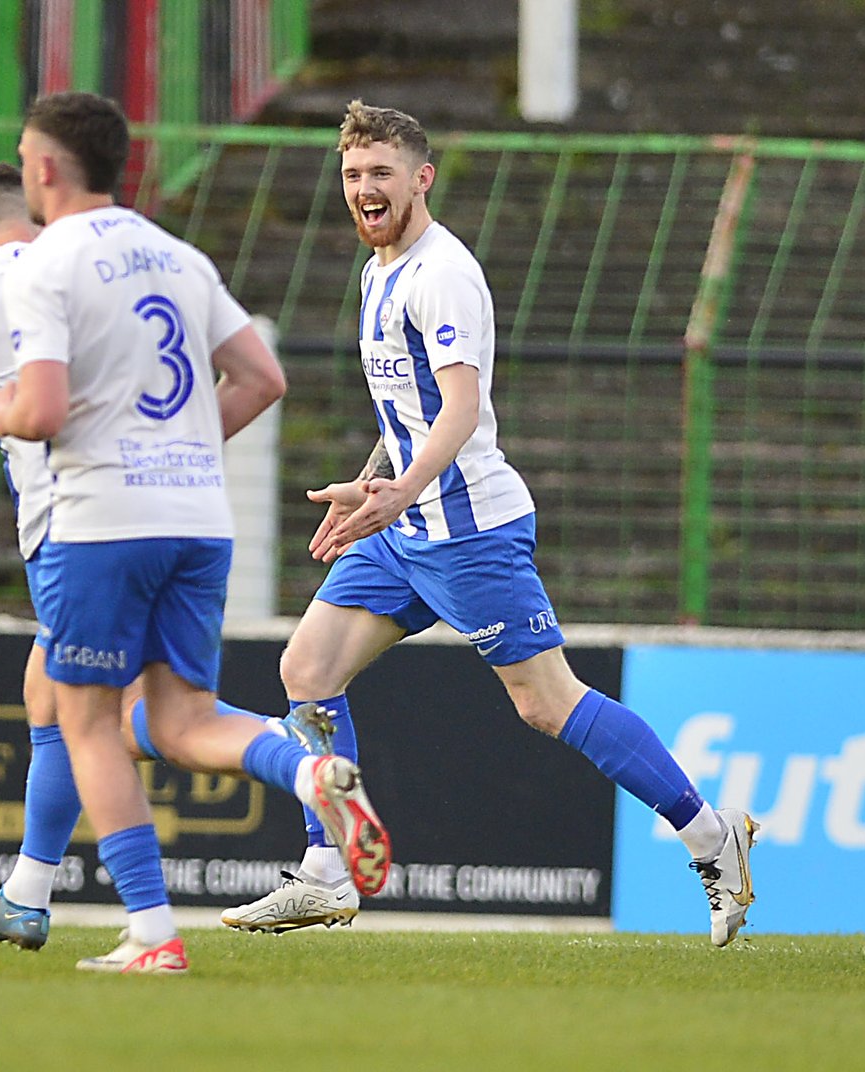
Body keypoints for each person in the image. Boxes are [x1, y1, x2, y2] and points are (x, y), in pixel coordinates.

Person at [220, 100, 759, 948]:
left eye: (382, 176)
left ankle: (708, 834)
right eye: (354, 176)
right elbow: (412, 410)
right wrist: (375, 485)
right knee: (308, 666)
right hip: (404, 527)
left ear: (420, 179)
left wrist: (399, 494)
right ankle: (326, 871)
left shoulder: (443, 273)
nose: (365, 190)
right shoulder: (379, 269)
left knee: (547, 704)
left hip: (470, 531)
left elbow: (462, 408)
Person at [0, 161, 335, 954]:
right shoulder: (120, 269)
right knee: (62, 697)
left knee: (99, 720)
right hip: (179, 510)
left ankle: (167, 903)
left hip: (77, 526)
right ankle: (28, 891)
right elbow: (250, 378)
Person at [0, 91, 391, 975]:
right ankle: (311, 775)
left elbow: (42, 406)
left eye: (25, 156)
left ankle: (154, 934)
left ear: (46, 169)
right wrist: (182, 448)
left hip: (101, 525)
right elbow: (262, 377)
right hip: (198, 518)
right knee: (183, 716)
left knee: (84, 722)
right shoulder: (176, 256)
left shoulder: (44, 265)